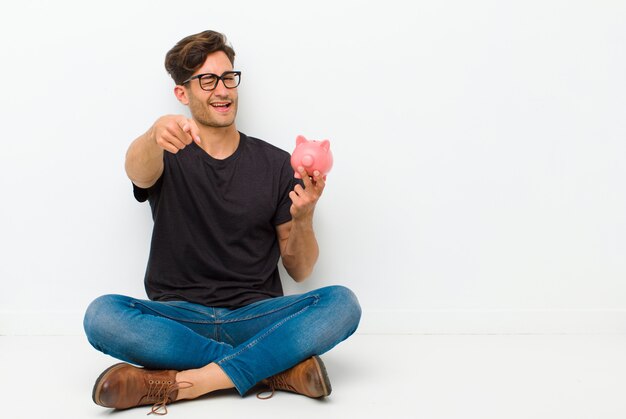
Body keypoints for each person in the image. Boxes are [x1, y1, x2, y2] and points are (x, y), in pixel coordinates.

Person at [83, 30, 361, 415]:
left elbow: (300, 269)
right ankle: (270, 370)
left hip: (257, 317)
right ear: (183, 93)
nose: (222, 90)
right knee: (101, 316)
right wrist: (152, 134)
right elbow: (137, 170)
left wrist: (305, 216)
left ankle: (188, 384)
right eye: (207, 80)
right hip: (180, 319)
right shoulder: (165, 152)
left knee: (343, 304)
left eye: (228, 77)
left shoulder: (277, 164)